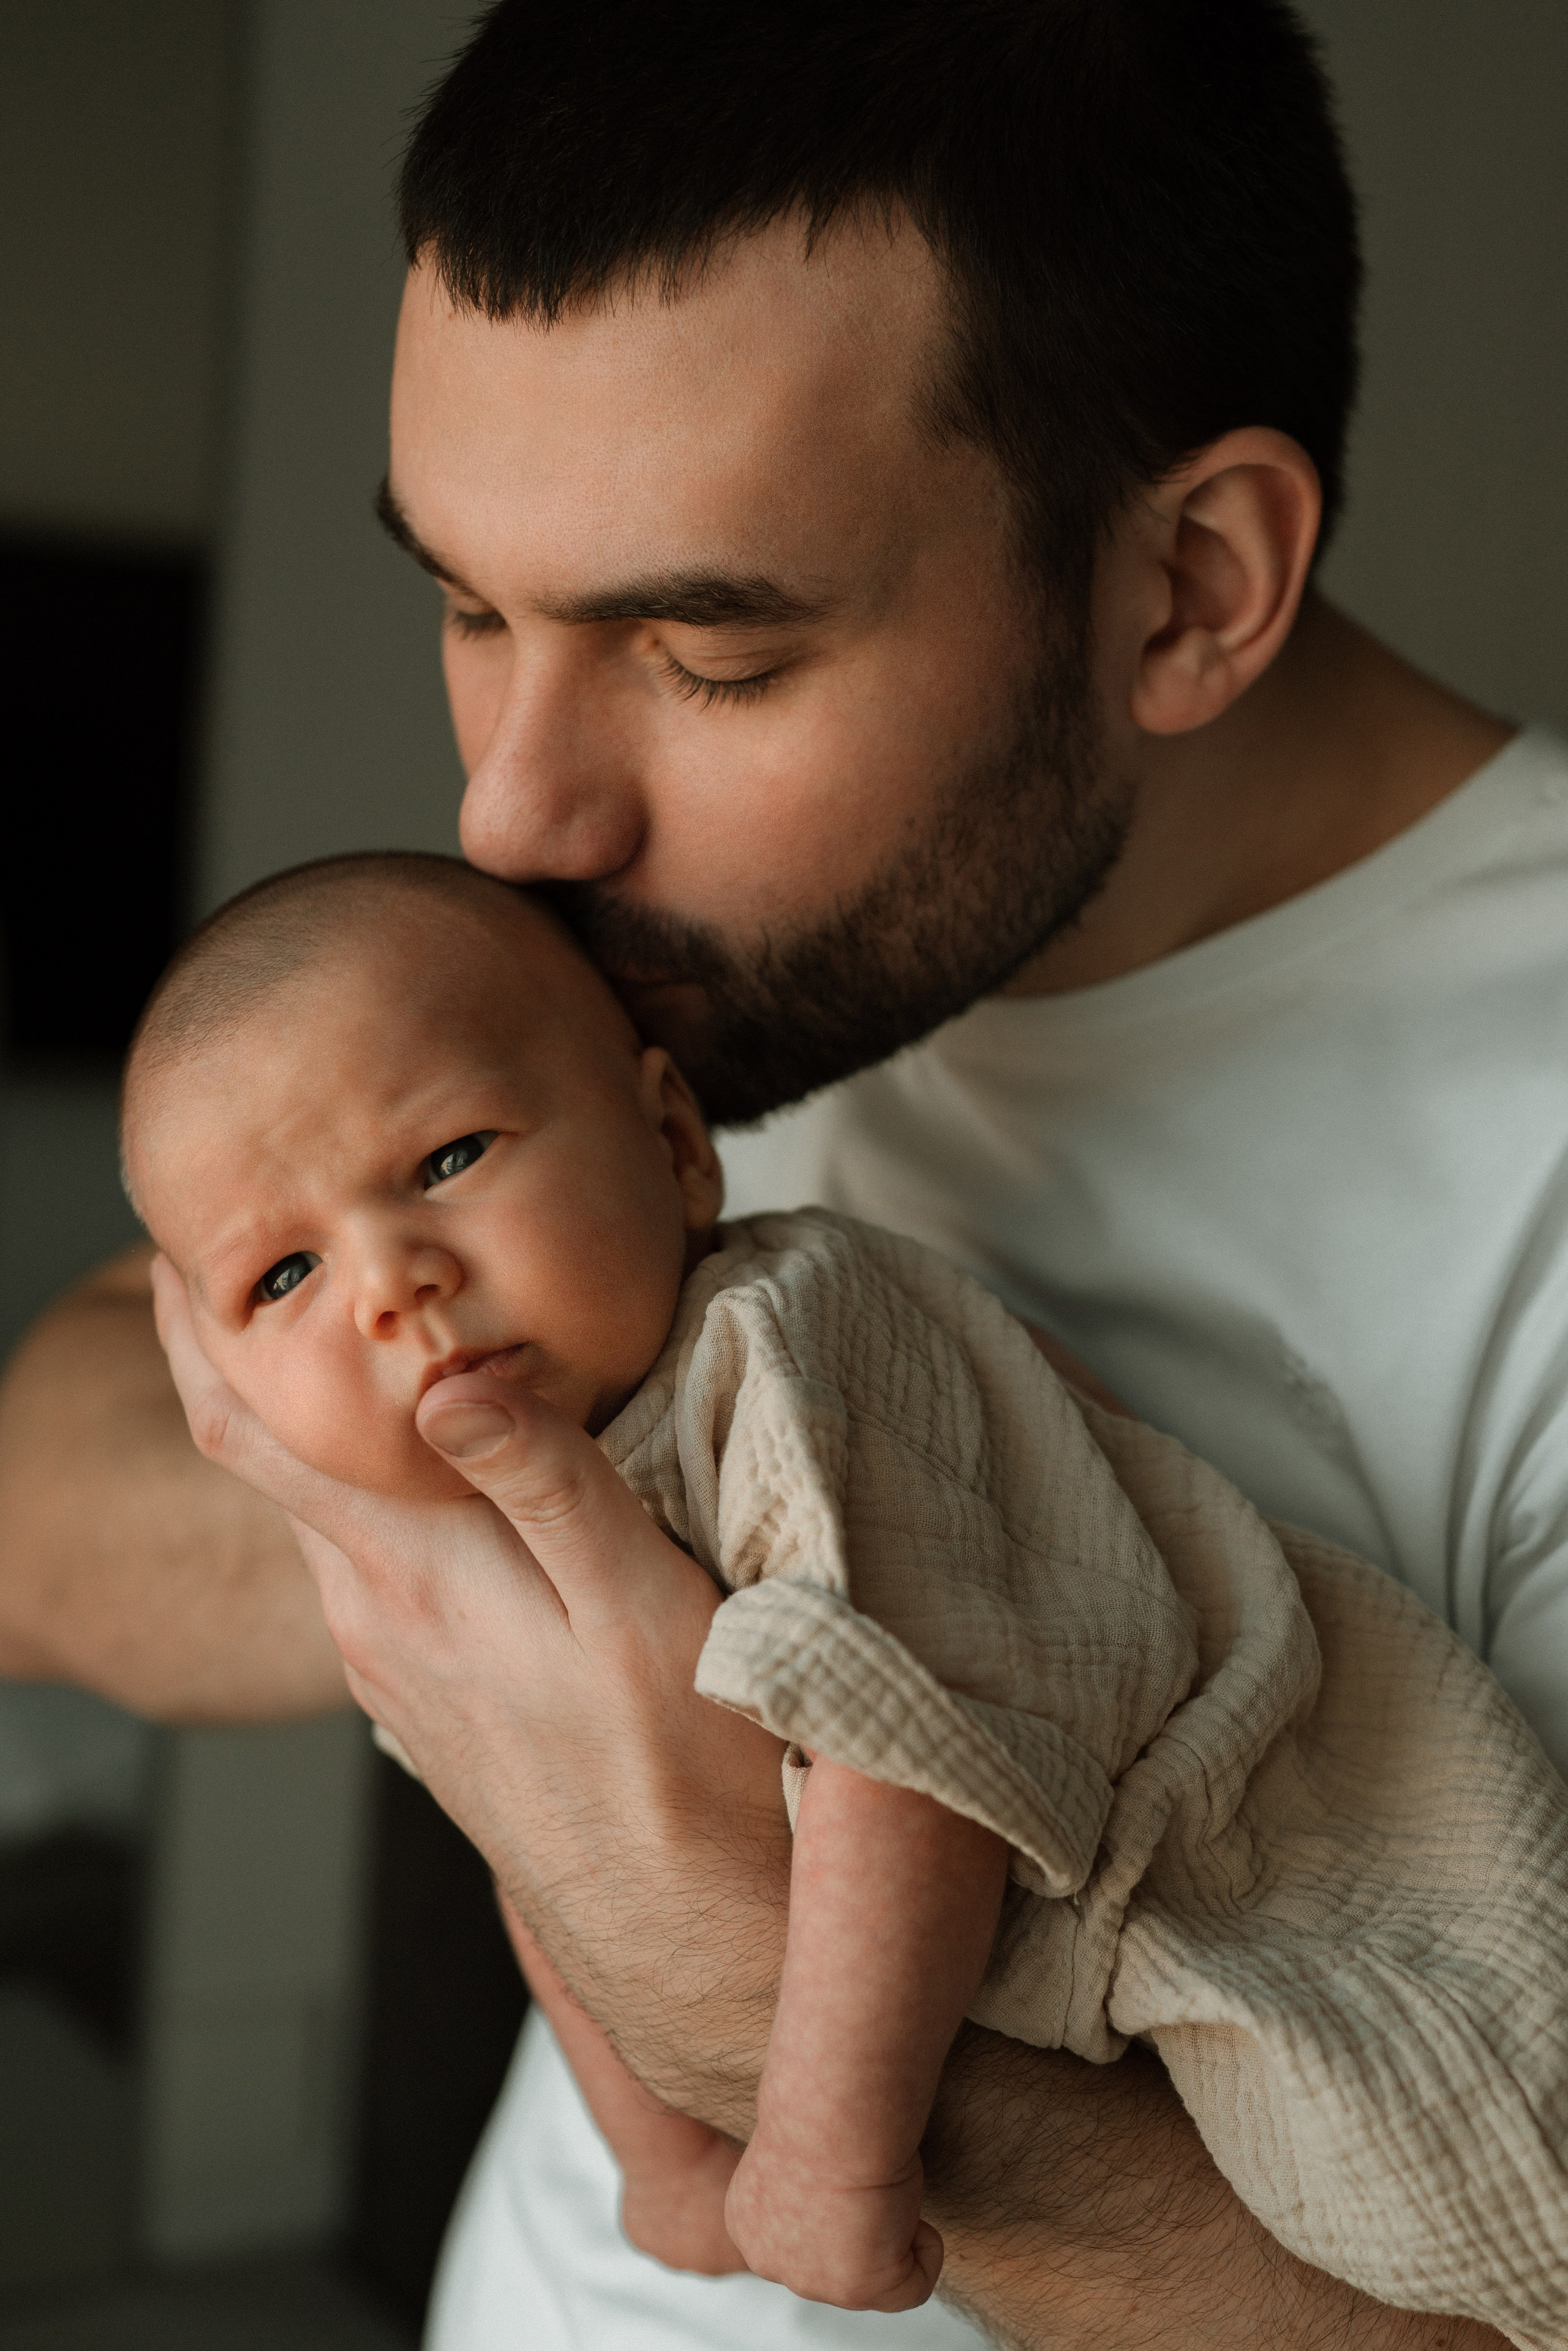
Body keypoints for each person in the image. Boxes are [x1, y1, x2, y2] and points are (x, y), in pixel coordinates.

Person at [0, 1, 1557, 2342]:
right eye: (468, 604)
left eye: (707, 650)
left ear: (1191, 583)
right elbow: (43, 1491)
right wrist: (546, 1565)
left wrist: (772, 1996)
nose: (517, 816)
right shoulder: (645, 978)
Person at [123, 848, 1568, 2341]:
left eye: (445, 1160)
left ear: (677, 1140)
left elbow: (902, 1759)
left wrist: (826, 2140)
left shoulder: (783, 1351)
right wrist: (661, 2147)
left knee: (1440, 2193)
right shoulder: (460, 1548)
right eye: (281, 1276)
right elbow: (546, 1860)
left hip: (1264, 1877)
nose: (389, 1281)